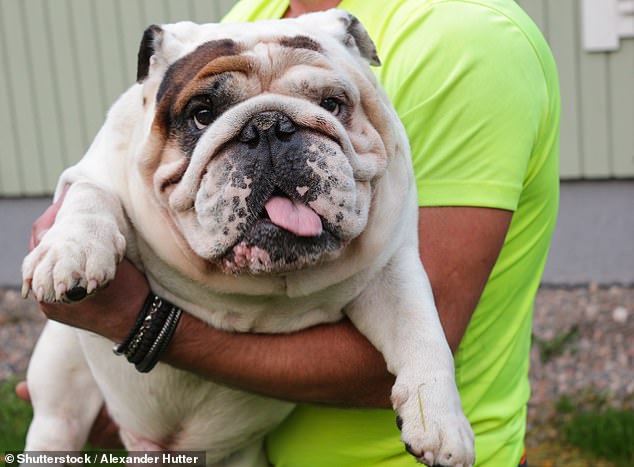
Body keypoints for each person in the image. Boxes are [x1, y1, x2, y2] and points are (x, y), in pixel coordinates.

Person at [18, 0, 560, 465]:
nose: (270, 139)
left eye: (327, 105)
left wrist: (138, 328)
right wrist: (127, 396)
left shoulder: (466, 39)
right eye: (207, 112)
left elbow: (392, 335)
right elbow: (99, 180)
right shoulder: (246, 19)